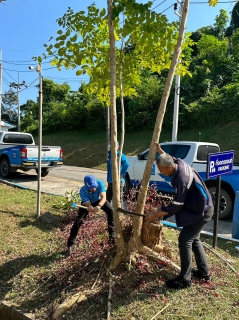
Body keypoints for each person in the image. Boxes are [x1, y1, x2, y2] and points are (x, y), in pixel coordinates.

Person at [145, 142, 214, 289]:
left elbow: (176, 206)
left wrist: (155, 214)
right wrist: (160, 151)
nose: (161, 173)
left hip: (202, 210)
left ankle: (185, 279)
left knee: (185, 239)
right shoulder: (178, 163)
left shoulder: (181, 179)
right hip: (202, 206)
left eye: (162, 170)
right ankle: (204, 273)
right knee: (194, 239)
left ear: (169, 168)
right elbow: (171, 158)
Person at [67, 174, 115, 253]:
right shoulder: (83, 191)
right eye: (91, 187)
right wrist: (90, 208)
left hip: (99, 201)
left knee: (110, 211)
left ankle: (112, 235)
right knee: (78, 221)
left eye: (94, 186)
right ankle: (70, 244)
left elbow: (103, 197)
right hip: (89, 203)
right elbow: (88, 204)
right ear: (86, 186)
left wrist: (99, 206)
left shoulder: (100, 183)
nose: (94, 188)